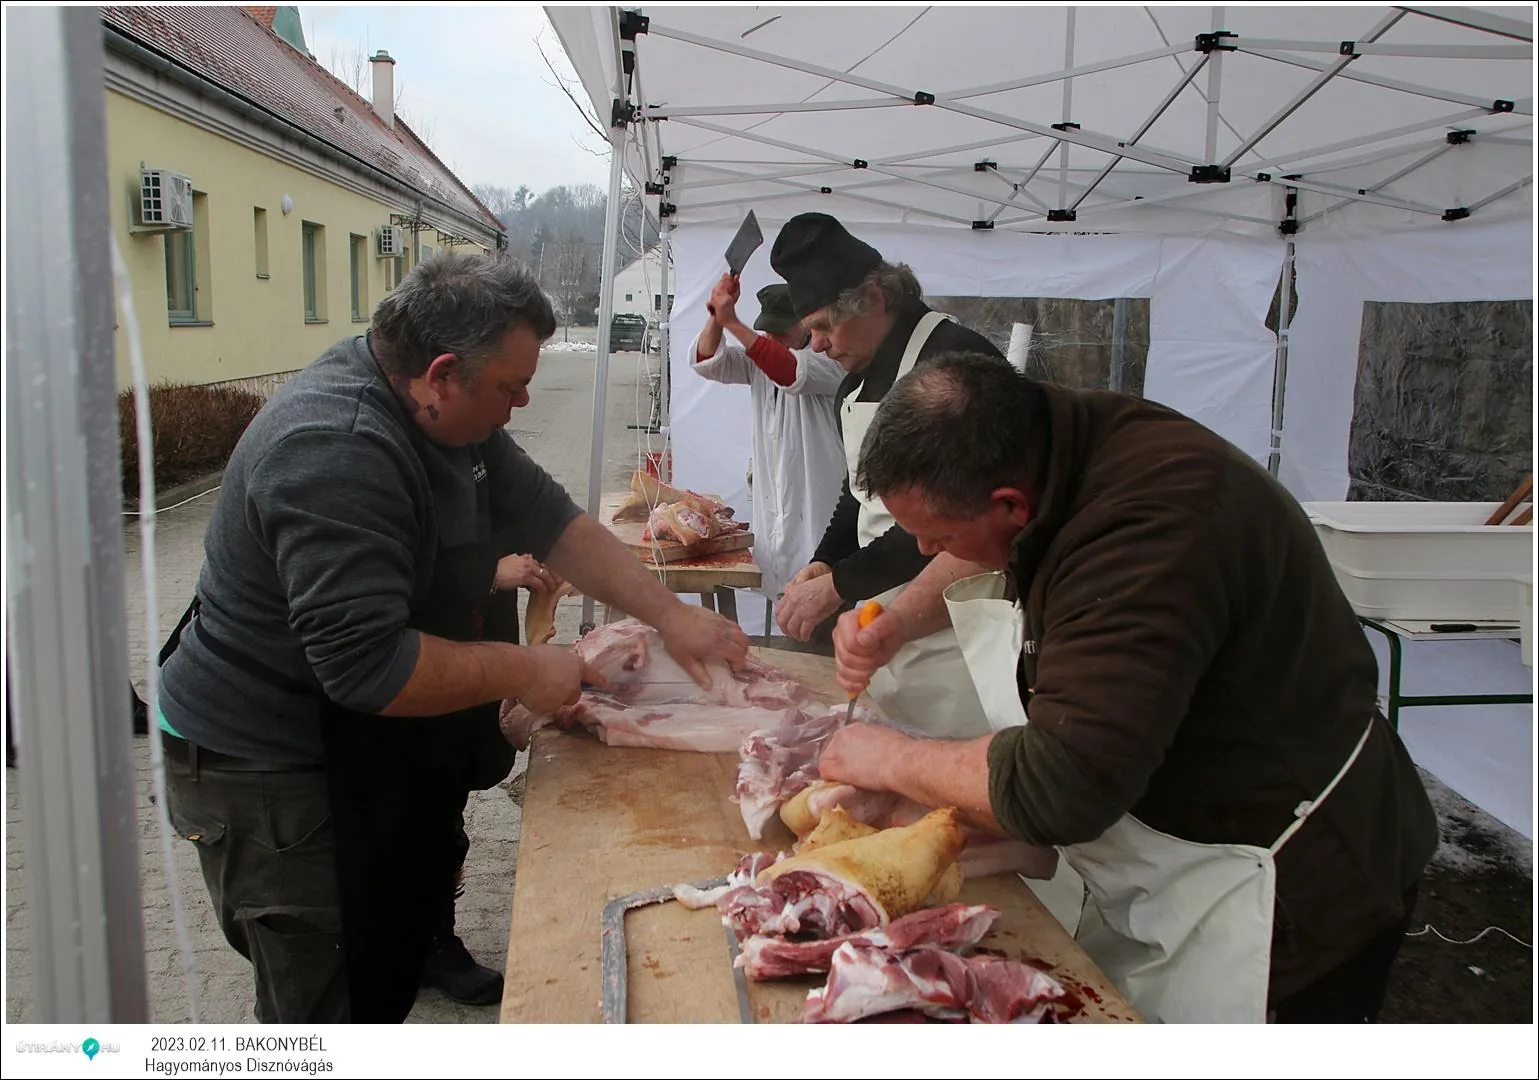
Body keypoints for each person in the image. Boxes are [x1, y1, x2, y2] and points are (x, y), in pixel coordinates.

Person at [155, 251, 749, 1024]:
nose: (525, 400)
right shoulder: (336, 448)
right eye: (510, 387)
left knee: (388, 947)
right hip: (272, 762)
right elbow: (367, 668)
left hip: (362, 739)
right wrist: (528, 669)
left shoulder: (444, 414)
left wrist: (675, 617)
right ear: (440, 375)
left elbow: (550, 518)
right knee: (327, 992)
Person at [820, 351, 1439, 1025]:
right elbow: (978, 535)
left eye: (935, 536)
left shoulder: (1152, 532)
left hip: (1286, 882)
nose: (923, 552)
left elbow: (1062, 784)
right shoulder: (1042, 437)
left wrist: (891, 758)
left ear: (1010, 505)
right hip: (1176, 852)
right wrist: (902, 619)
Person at [766, 211, 1006, 736]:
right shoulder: (850, 390)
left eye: (826, 325)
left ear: (875, 298)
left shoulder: (958, 366)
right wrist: (825, 562)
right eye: (811, 332)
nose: (819, 346)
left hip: (962, 641)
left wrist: (843, 584)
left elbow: (956, 522)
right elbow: (857, 494)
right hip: (886, 633)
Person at [689, 275, 846, 605]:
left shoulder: (831, 361)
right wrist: (716, 317)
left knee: (823, 604)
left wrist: (732, 321)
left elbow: (791, 372)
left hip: (822, 513)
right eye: (768, 330)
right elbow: (707, 362)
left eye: (782, 330)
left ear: (805, 324)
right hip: (777, 507)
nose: (773, 338)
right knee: (787, 604)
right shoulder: (758, 362)